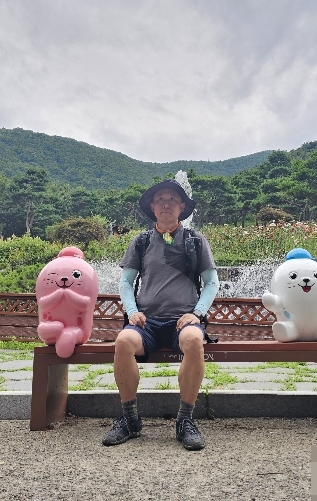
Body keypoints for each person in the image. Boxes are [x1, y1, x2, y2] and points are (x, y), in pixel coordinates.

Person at [102, 179, 219, 451]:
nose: (166, 204)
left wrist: (198, 313)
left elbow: (212, 282)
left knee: (194, 340)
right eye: (160, 199)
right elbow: (126, 283)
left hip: (183, 321)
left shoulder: (195, 240)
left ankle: (185, 420)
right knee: (123, 342)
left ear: (182, 207)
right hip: (147, 322)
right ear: (153, 207)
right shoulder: (141, 241)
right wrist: (132, 311)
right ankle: (130, 419)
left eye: (172, 199)